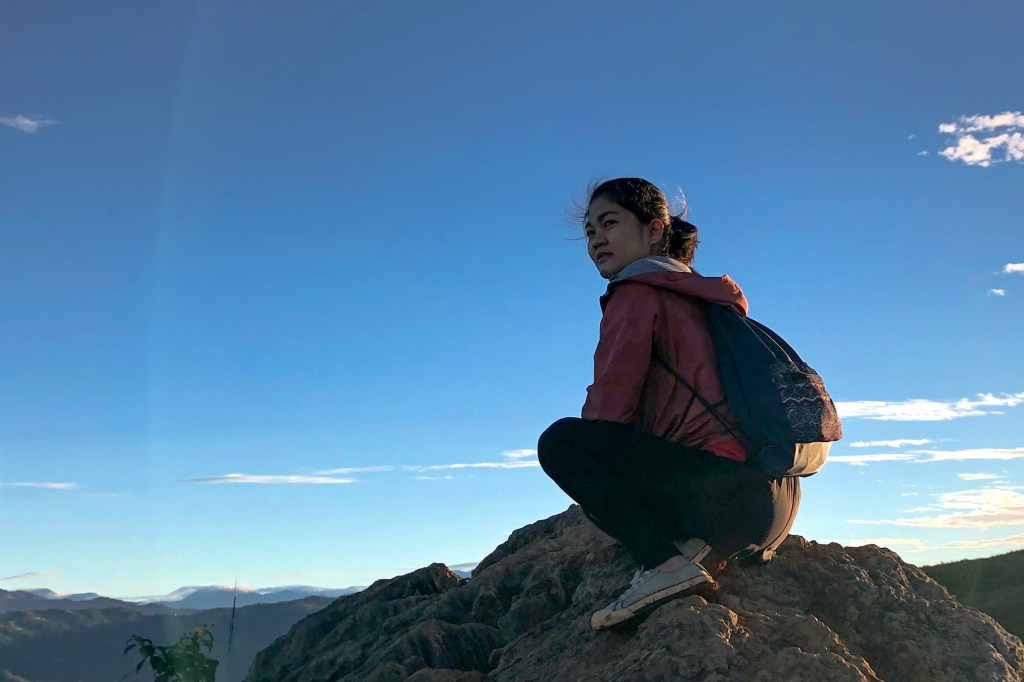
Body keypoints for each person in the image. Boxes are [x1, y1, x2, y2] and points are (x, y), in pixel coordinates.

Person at [537, 177, 801, 631]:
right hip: (775, 503)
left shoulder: (636, 292)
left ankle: (664, 565)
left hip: (720, 495)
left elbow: (608, 411)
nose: (596, 239)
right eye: (590, 231)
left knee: (563, 442)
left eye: (609, 223)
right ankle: (698, 552)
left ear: (654, 230)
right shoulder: (703, 297)